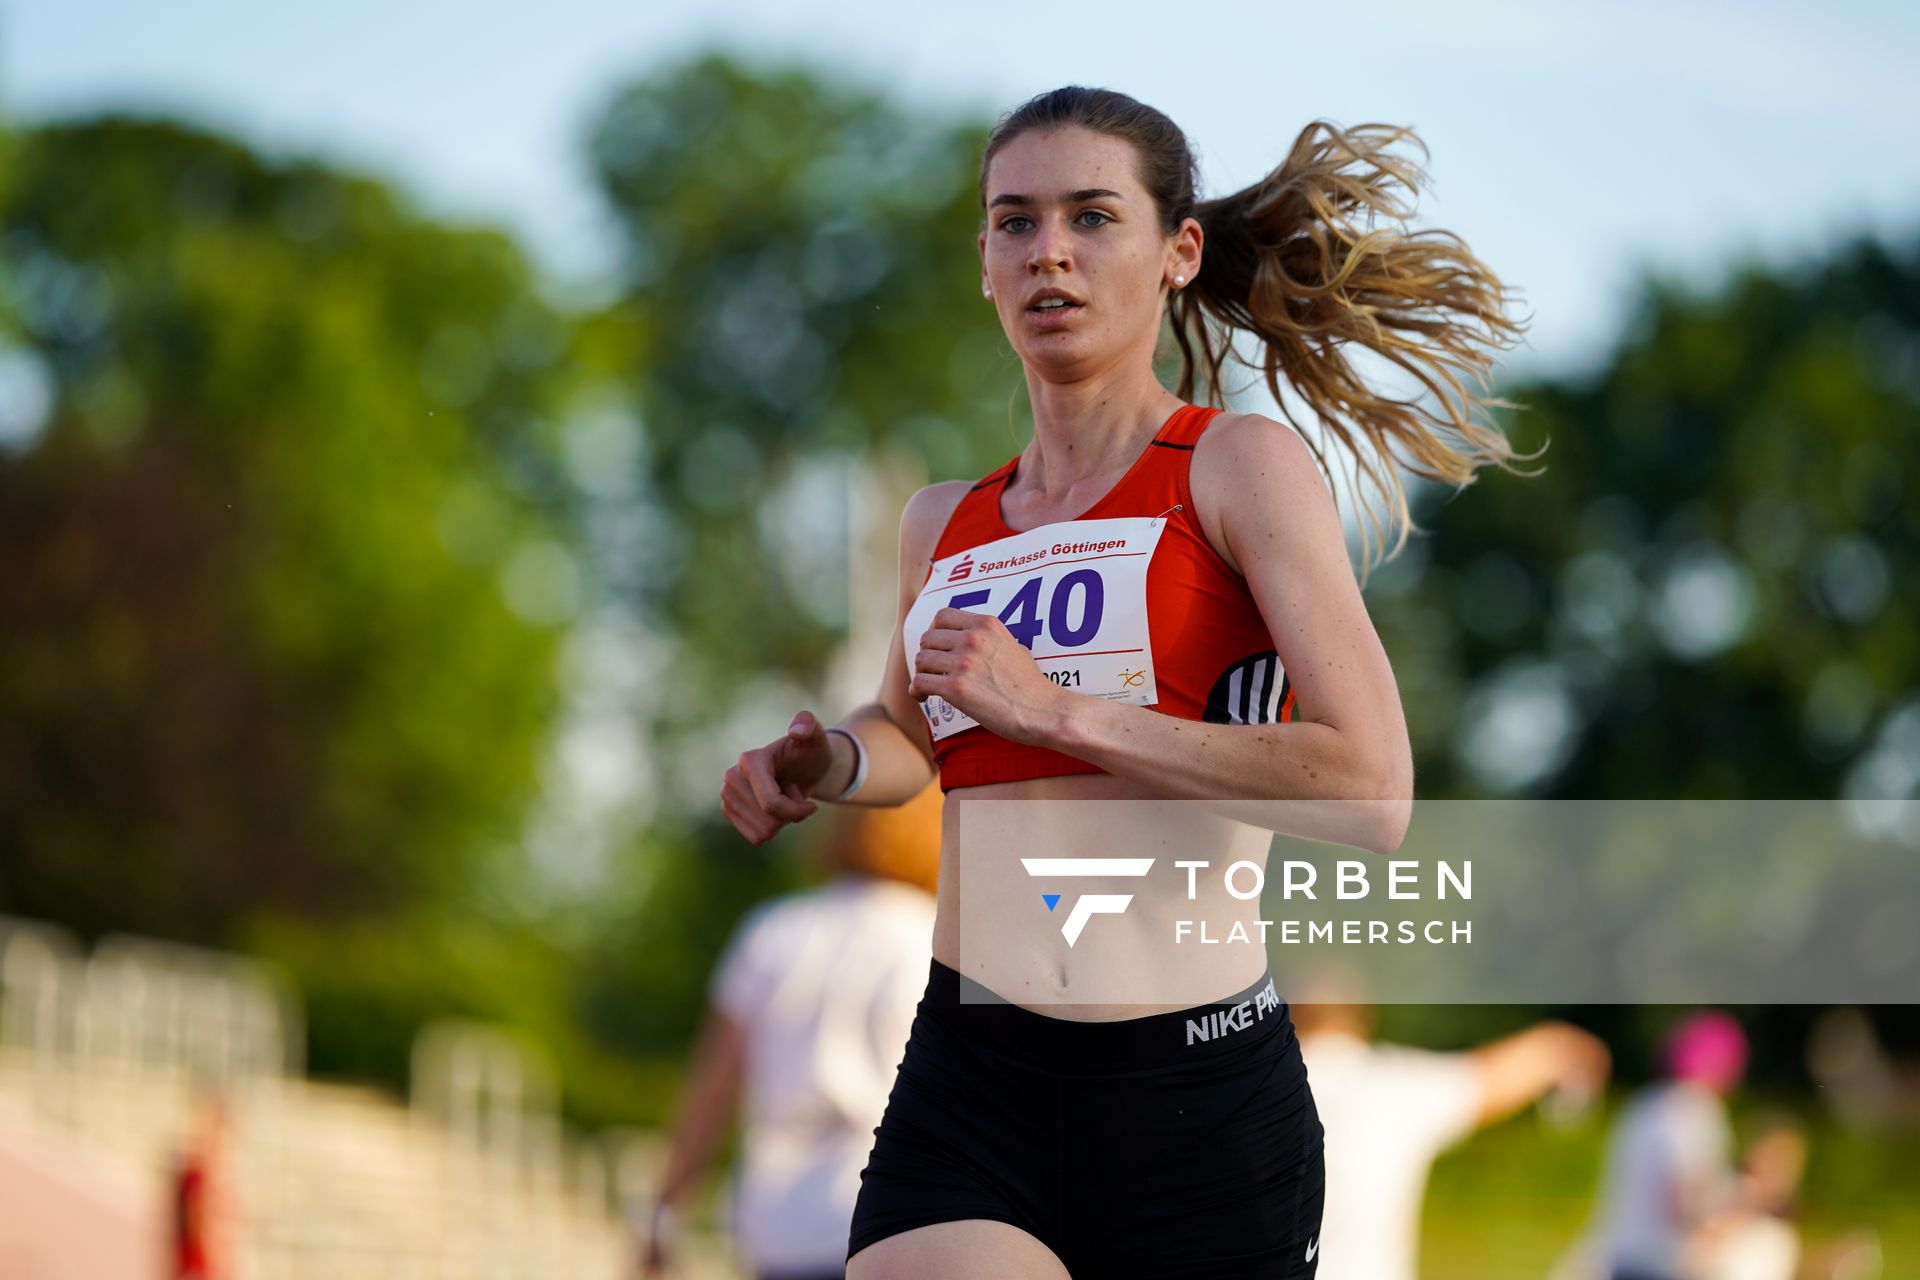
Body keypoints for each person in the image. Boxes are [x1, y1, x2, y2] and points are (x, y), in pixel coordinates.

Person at [721, 85, 1532, 1279]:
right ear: (985, 264)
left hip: (1193, 1101)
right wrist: (829, 760)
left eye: (1092, 216)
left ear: (1177, 253)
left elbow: (1372, 787)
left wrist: (1053, 708)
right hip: (973, 1077)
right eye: (1014, 222)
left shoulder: (1237, 466)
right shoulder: (942, 522)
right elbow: (912, 731)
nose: (1048, 249)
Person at [640, 786, 941, 1280]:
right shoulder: (939, 947)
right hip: (897, 1221)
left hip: (780, 1224)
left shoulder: (773, 933)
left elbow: (710, 1093)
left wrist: (661, 1215)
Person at [1293, 992, 1611, 1280]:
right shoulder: (1389, 1085)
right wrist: (1571, 1047)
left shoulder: (1257, 1094)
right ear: (1360, 1020)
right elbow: (1499, 1075)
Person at [1592, 1010, 1749, 1280]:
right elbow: (1688, 1197)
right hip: (1666, 1264)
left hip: (1623, 1258)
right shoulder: (1697, 1112)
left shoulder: (1643, 1104)